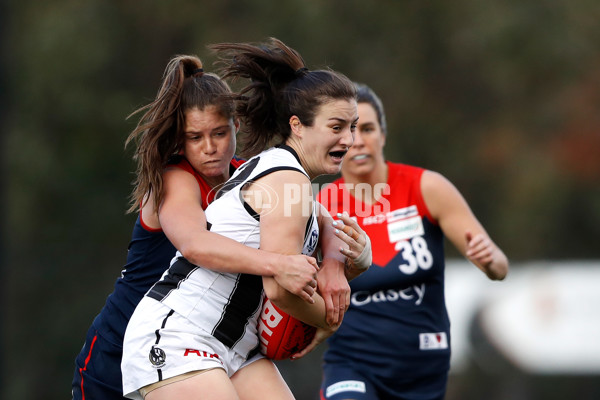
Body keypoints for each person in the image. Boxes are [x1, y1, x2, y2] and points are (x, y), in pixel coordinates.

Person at [72, 54, 353, 400]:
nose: (209, 148)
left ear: (236, 126)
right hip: (132, 336)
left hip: (222, 337)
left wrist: (335, 265)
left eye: (219, 133)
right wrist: (280, 265)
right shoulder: (176, 179)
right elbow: (195, 245)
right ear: (180, 140)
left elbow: (319, 215)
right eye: (195, 137)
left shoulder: (250, 173)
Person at [316, 83, 509, 400]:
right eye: (350, 131)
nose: (359, 140)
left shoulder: (427, 187)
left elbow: (499, 268)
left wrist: (490, 261)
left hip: (423, 366)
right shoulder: (322, 205)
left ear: (383, 135)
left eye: (367, 128)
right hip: (351, 364)